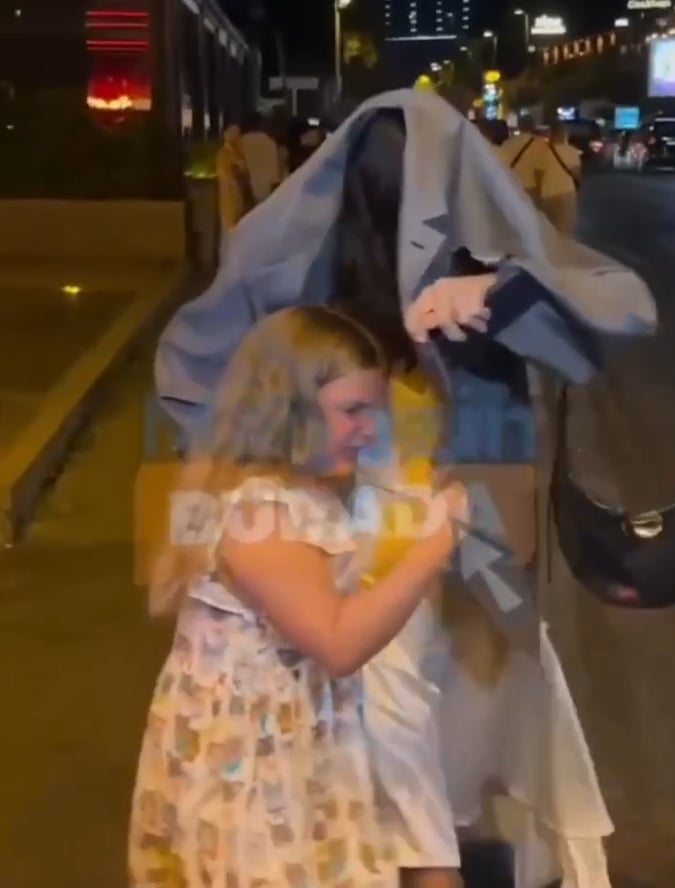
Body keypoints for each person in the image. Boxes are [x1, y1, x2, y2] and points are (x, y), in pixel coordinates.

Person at [154, 90, 656, 888]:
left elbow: (613, 309)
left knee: (465, 718)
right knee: (395, 731)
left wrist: (495, 292)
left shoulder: (467, 270)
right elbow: (212, 387)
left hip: (452, 535)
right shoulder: (296, 279)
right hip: (377, 550)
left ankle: (436, 850)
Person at [129, 305, 469, 888]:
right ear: (286, 408)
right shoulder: (258, 511)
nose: (370, 431)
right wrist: (435, 544)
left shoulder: (288, 490)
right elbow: (337, 643)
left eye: (374, 411)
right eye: (352, 411)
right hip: (253, 770)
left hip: (283, 742)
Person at [539, 121, 581, 237]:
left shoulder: (543, 152)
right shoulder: (571, 151)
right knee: (565, 232)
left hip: (547, 194)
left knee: (548, 232)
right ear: (564, 135)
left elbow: (538, 173)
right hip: (566, 193)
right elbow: (577, 174)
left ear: (551, 134)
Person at [216, 125, 254, 249]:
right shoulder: (224, 155)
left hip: (239, 199)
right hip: (231, 199)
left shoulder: (238, 154)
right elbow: (230, 176)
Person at [498, 114, 547, 203]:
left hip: (511, 187)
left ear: (519, 126)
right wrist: (539, 193)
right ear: (533, 126)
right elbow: (539, 172)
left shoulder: (507, 143)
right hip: (529, 189)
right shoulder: (539, 144)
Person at [240, 112, 284, 204]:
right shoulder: (270, 143)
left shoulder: (240, 143)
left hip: (247, 194)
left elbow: (241, 170)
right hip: (267, 193)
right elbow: (276, 174)